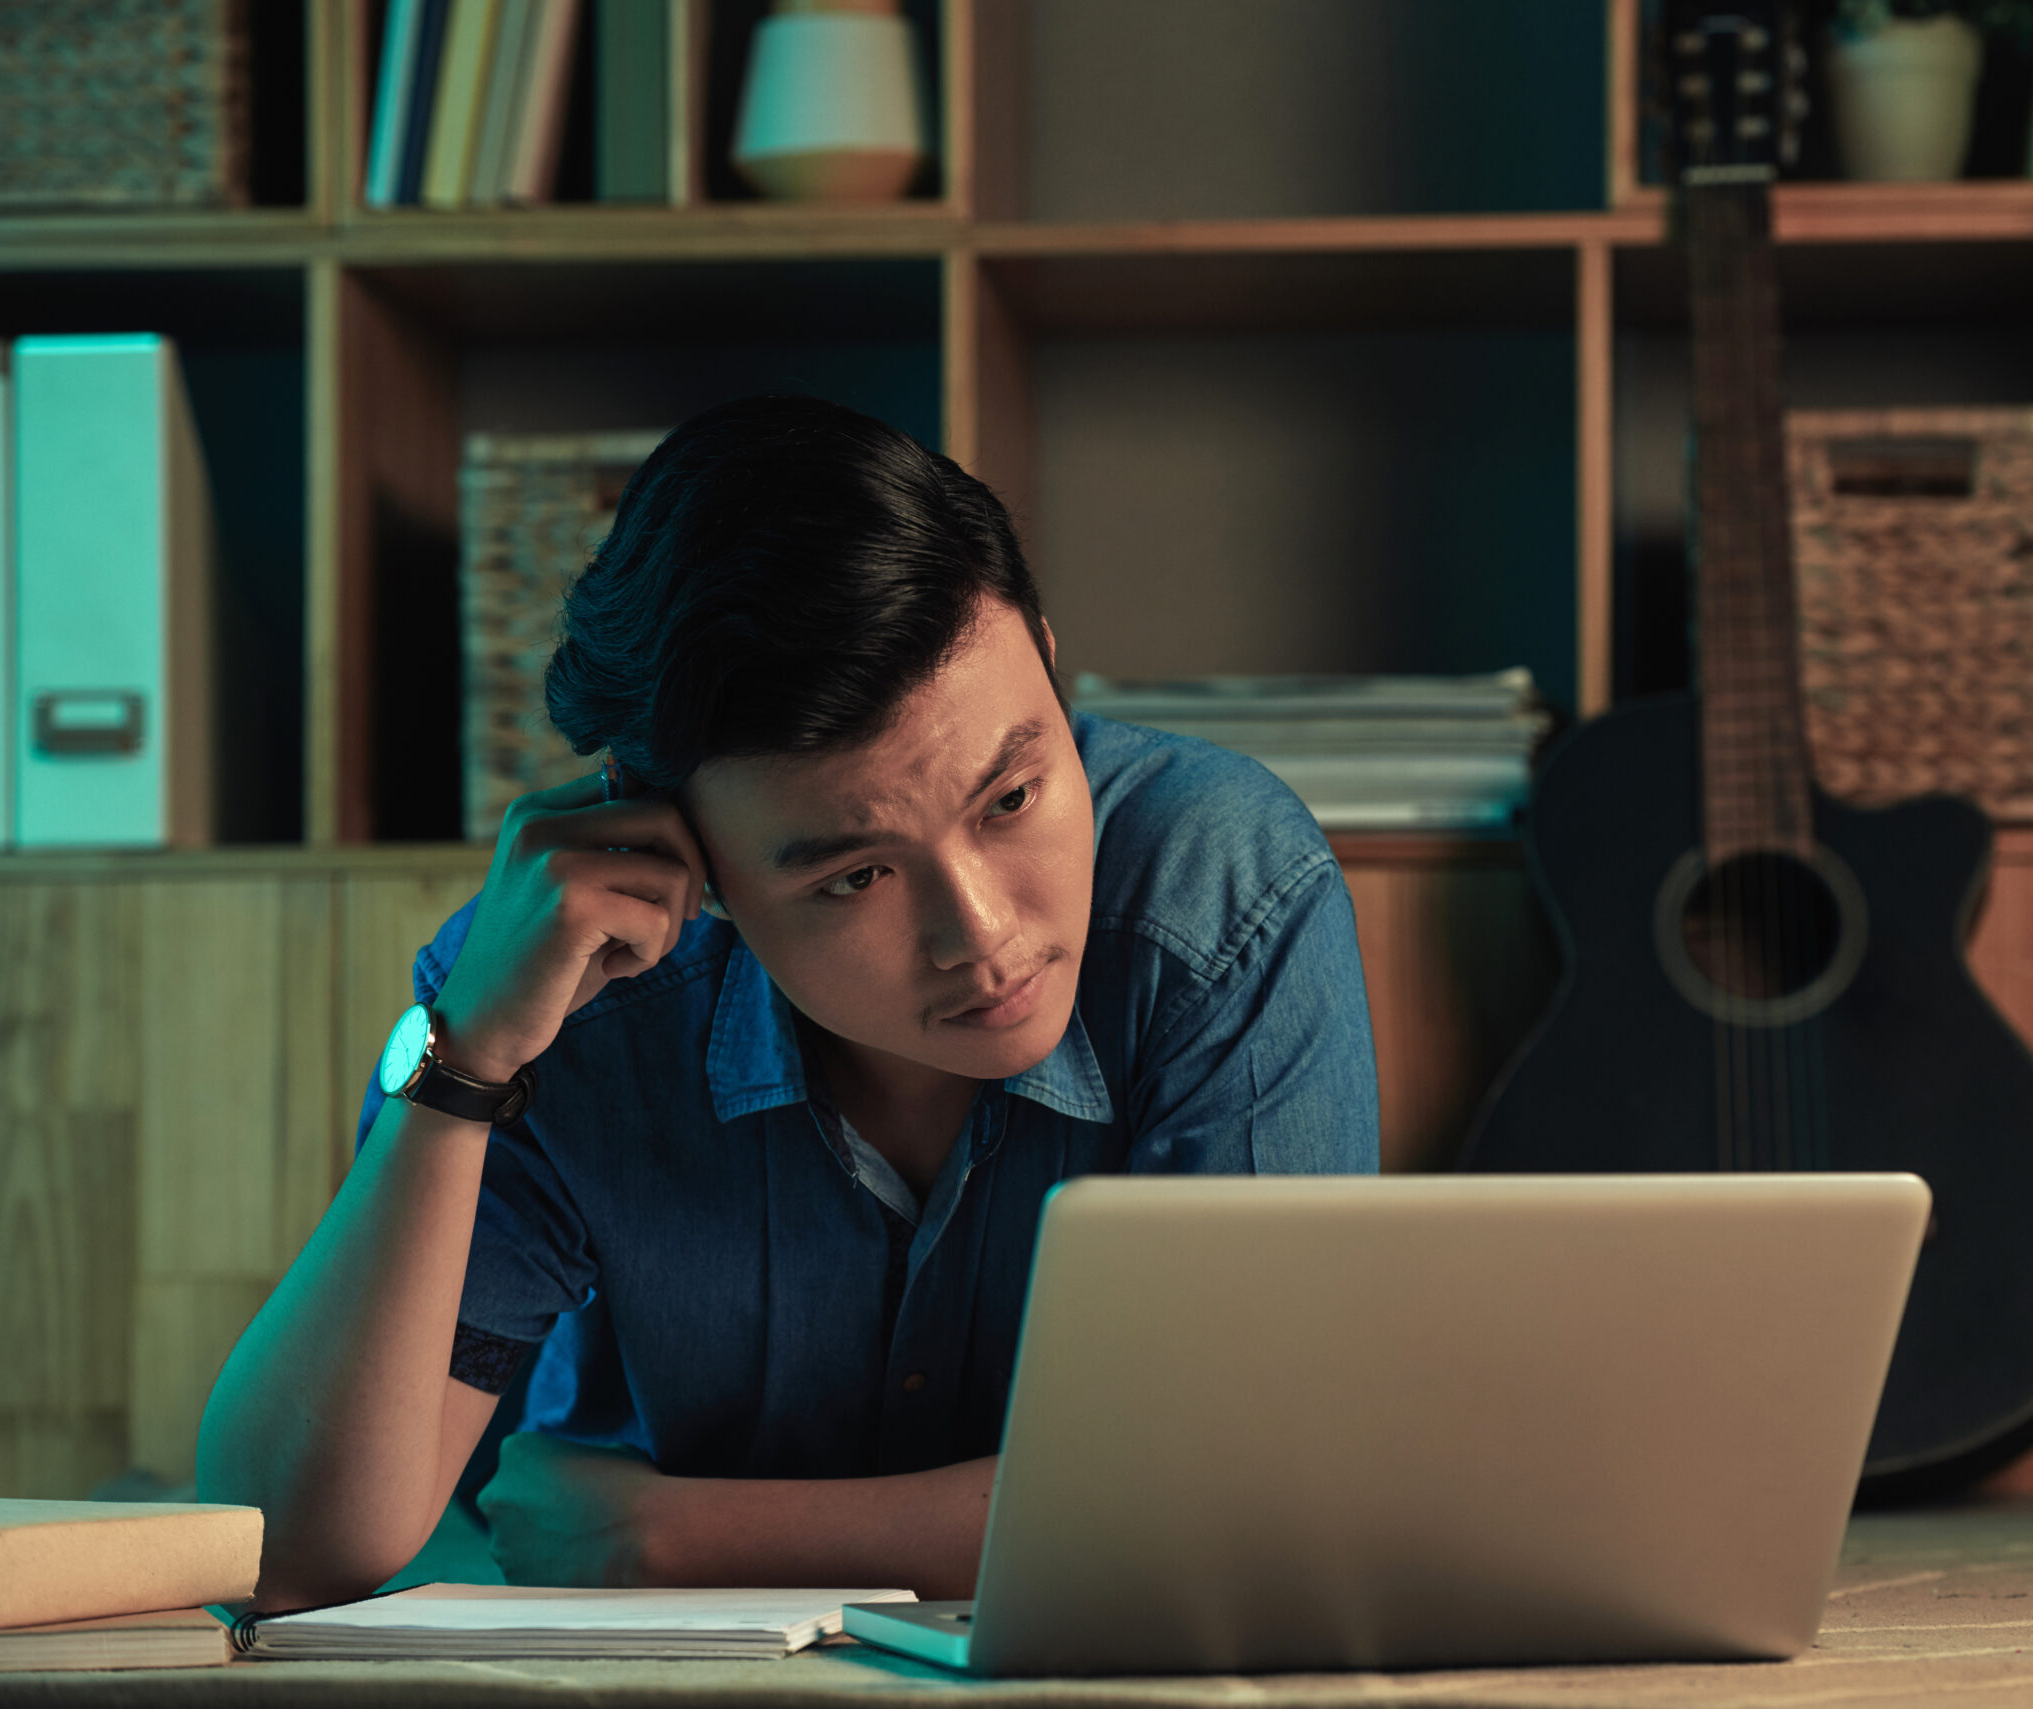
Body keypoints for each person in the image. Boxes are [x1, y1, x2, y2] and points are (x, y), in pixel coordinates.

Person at [198, 397, 1381, 1608]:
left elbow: (1258, 1489)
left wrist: (673, 1537)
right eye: (855, 874)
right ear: (687, 855)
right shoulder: (566, 994)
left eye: (1011, 797)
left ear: (1042, 645)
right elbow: (284, 1542)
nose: (982, 933)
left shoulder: (1217, 886)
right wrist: (470, 1059)